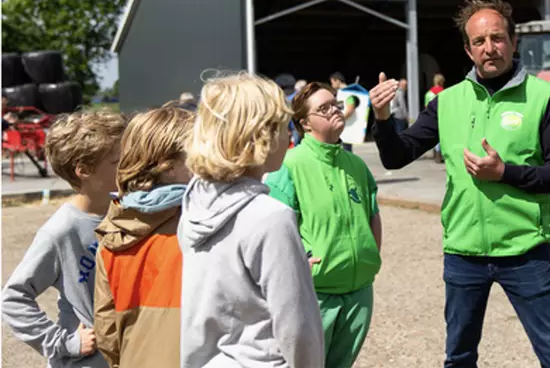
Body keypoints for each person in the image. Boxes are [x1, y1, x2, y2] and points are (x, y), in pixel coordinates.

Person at [369, 0, 550, 368]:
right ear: (468, 50)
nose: (489, 48)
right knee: (459, 356)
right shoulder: (447, 102)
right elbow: (396, 157)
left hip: (526, 251)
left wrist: (505, 173)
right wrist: (383, 119)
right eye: (479, 42)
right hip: (463, 252)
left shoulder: (543, 98)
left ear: (513, 43)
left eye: (497, 38)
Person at [178, 73, 324, 368]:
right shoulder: (271, 217)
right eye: (284, 127)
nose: (290, 137)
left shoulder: (194, 203)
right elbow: (297, 328)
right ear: (261, 135)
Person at [266, 82, 383, 368]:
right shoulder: (289, 165)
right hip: (315, 295)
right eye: (324, 108)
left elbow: (372, 215)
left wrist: (370, 256)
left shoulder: (356, 165)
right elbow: (276, 225)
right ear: (304, 123)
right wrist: (299, 263)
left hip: (359, 293)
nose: (334, 110)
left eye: (335, 104)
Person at [2, 110, 127, 368]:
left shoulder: (125, 211)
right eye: (117, 161)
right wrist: (65, 343)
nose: (127, 165)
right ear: (83, 171)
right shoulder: (61, 231)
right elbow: (13, 298)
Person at [93, 106, 194, 367]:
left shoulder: (112, 231)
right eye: (195, 154)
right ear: (168, 166)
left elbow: (107, 335)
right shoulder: (199, 226)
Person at [330, 71, 358, 152]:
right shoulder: (341, 93)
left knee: (346, 151)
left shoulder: (347, 93)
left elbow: (350, 108)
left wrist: (339, 118)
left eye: (332, 82)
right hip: (343, 127)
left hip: (346, 127)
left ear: (337, 80)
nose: (332, 85)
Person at [425, 74, 446, 163]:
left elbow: (426, 106)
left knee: (433, 134)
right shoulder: (444, 92)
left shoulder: (428, 93)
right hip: (442, 117)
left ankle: (435, 154)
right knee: (441, 137)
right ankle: (439, 155)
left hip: (431, 117)